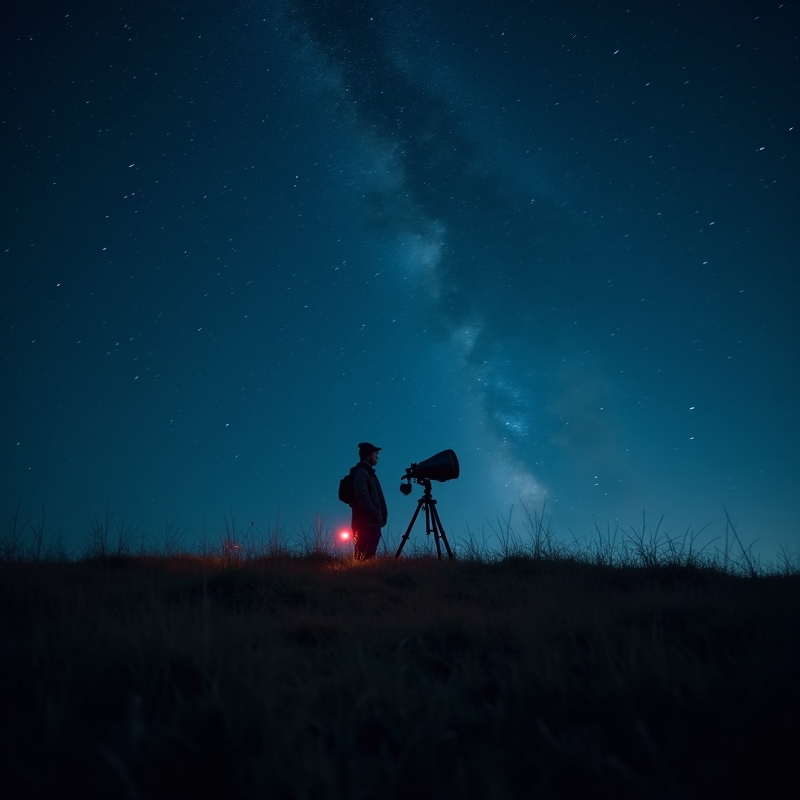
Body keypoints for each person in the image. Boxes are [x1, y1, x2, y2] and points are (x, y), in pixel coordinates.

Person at [351, 441, 388, 560]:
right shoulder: (362, 472)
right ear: (368, 455)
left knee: (368, 555)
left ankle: (364, 574)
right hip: (366, 522)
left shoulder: (368, 473)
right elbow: (362, 495)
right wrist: (375, 511)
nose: (377, 456)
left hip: (371, 522)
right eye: (375, 453)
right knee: (363, 555)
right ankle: (360, 575)